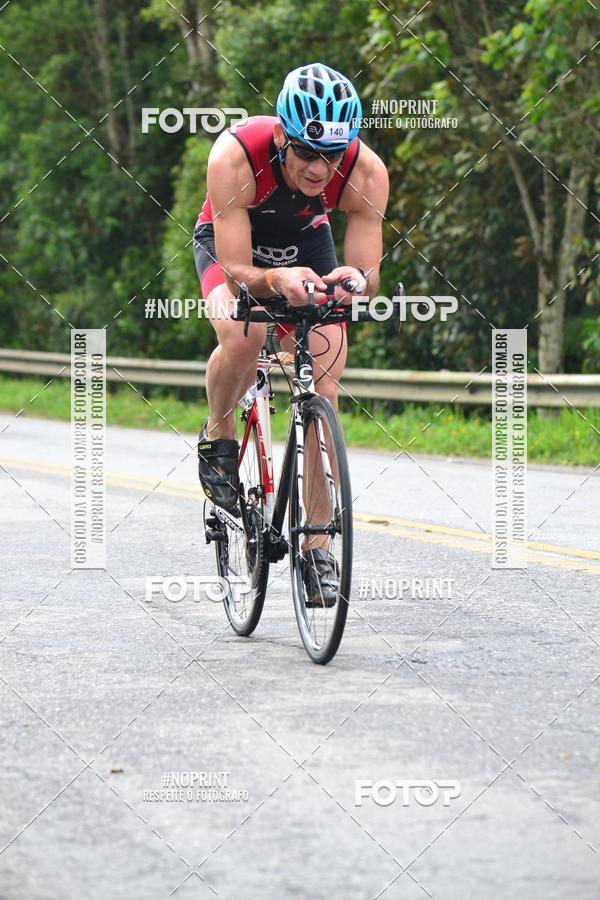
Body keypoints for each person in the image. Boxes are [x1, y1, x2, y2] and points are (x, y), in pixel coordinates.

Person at [193, 62, 389, 604]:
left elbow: (365, 270)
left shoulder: (366, 173)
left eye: (333, 154)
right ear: (281, 135)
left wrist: (354, 282)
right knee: (241, 335)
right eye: (306, 151)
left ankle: (317, 549)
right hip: (234, 244)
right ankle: (219, 434)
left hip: (306, 241)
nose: (319, 168)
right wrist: (276, 279)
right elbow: (236, 266)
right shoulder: (234, 157)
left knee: (322, 389)